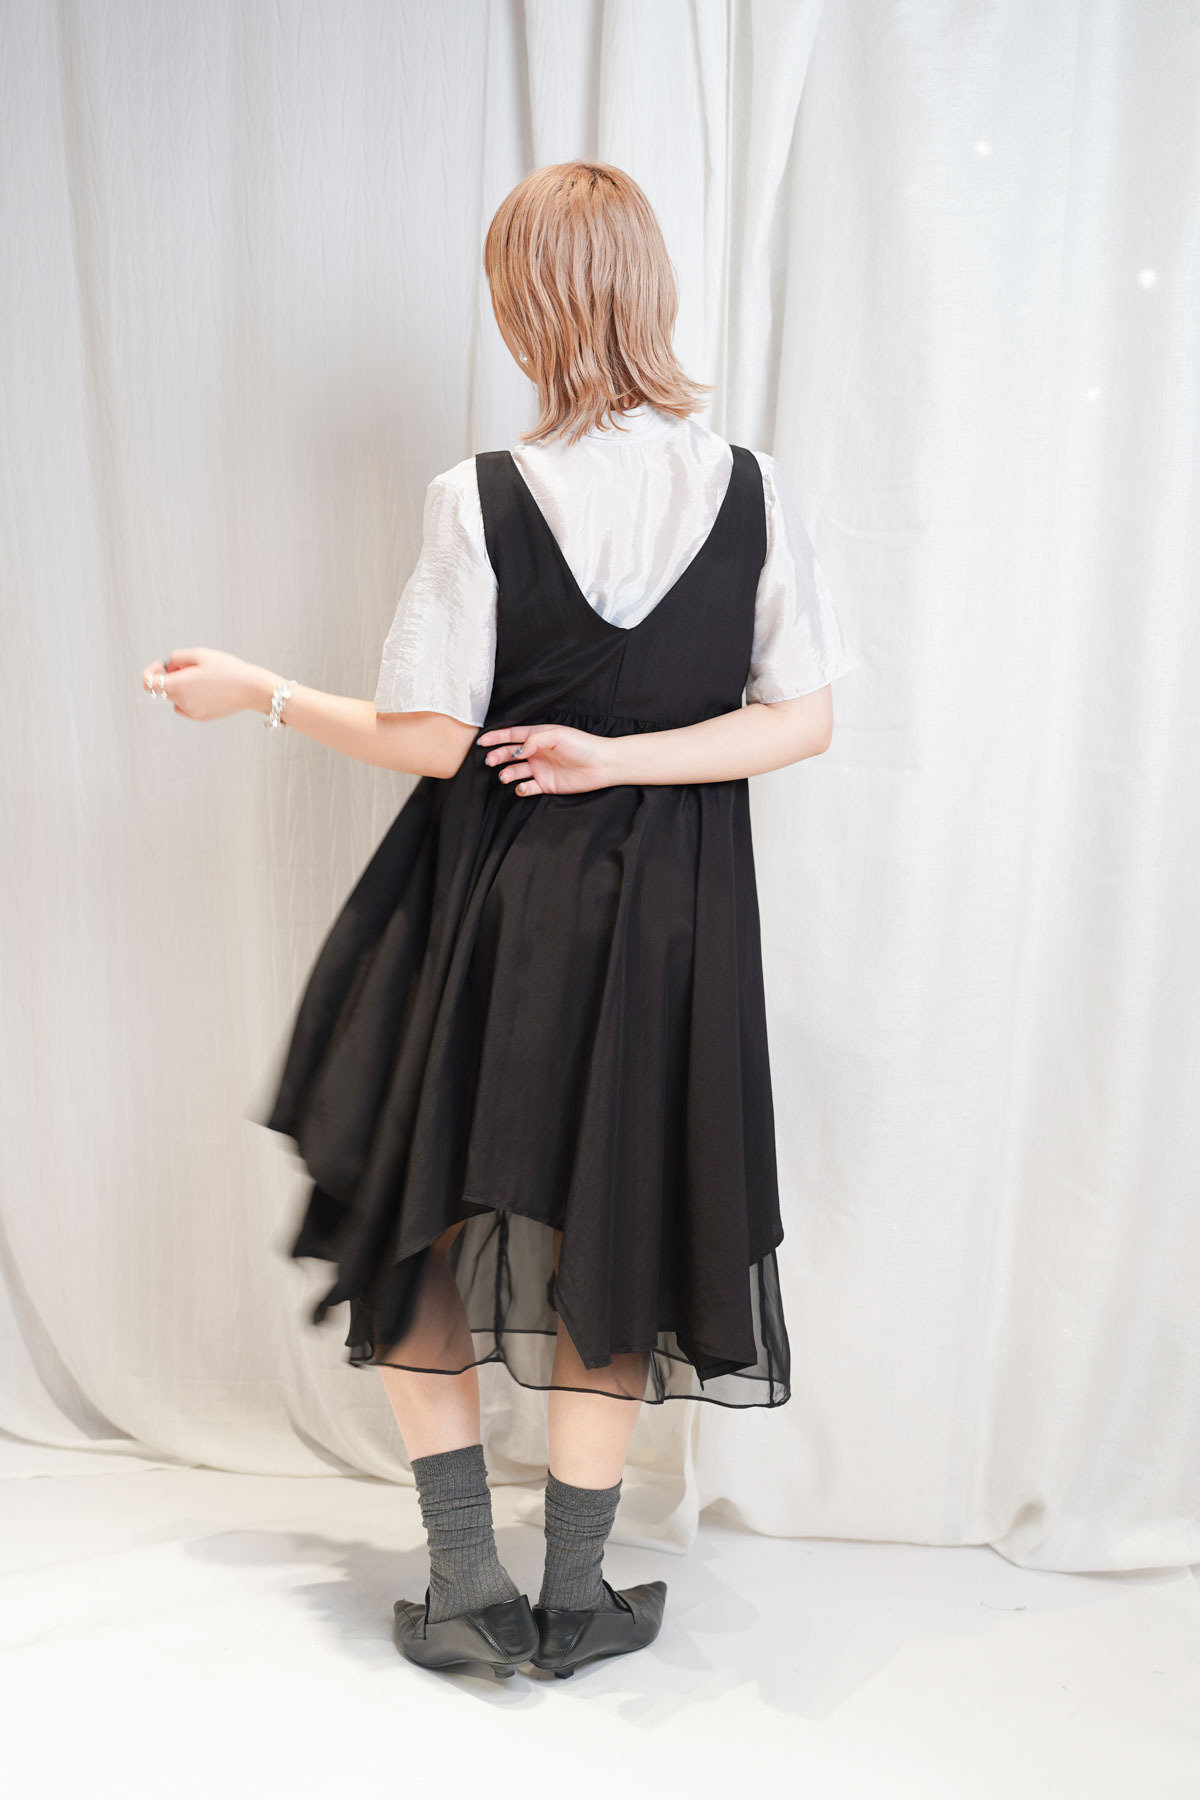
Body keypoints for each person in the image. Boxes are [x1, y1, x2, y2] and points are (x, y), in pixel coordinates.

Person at [139, 160, 857, 1682]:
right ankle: (574, 1600)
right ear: (649, 288)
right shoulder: (750, 485)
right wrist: (634, 763)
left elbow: (427, 739)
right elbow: (801, 720)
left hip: (493, 903)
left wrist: (258, 691)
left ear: (528, 307)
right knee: (619, 1220)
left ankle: (468, 1585)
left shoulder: (479, 497)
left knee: (425, 1211)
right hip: (672, 923)